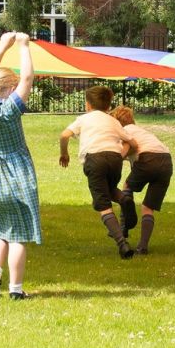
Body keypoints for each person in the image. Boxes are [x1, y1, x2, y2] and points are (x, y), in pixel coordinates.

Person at [0, 32, 41, 299]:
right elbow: (28, 78)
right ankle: (16, 289)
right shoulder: (8, 111)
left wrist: (3, 46)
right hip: (16, 180)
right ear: (9, 89)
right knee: (18, 236)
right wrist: (24, 46)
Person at [60, 85, 140, 259]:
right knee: (110, 190)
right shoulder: (113, 121)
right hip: (114, 159)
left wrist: (64, 153)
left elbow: (64, 135)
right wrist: (121, 156)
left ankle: (122, 244)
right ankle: (124, 199)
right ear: (108, 106)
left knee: (103, 204)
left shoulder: (84, 119)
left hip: (94, 160)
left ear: (88, 105)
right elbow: (132, 144)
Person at [111, 106, 173, 255]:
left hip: (148, 158)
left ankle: (124, 225)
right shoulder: (140, 131)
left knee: (127, 186)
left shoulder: (126, 132)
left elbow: (127, 149)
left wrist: (114, 161)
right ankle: (142, 246)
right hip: (166, 161)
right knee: (148, 206)